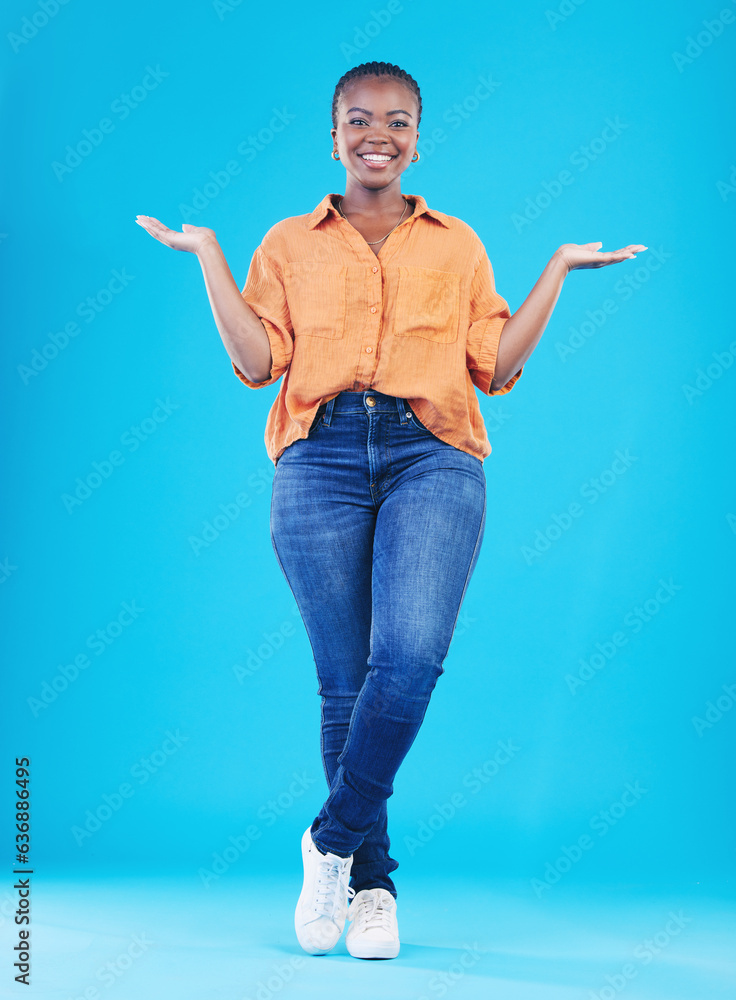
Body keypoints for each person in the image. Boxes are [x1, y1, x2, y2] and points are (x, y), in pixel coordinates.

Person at [135, 60, 647, 961]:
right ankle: (371, 886)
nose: (380, 133)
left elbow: (492, 365)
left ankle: (327, 844)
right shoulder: (288, 244)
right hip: (319, 457)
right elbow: (259, 364)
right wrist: (212, 258)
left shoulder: (457, 244)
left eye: (399, 120)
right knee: (345, 683)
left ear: (419, 137)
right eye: (360, 119)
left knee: (407, 659)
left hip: (431, 453)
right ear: (332, 136)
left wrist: (557, 271)